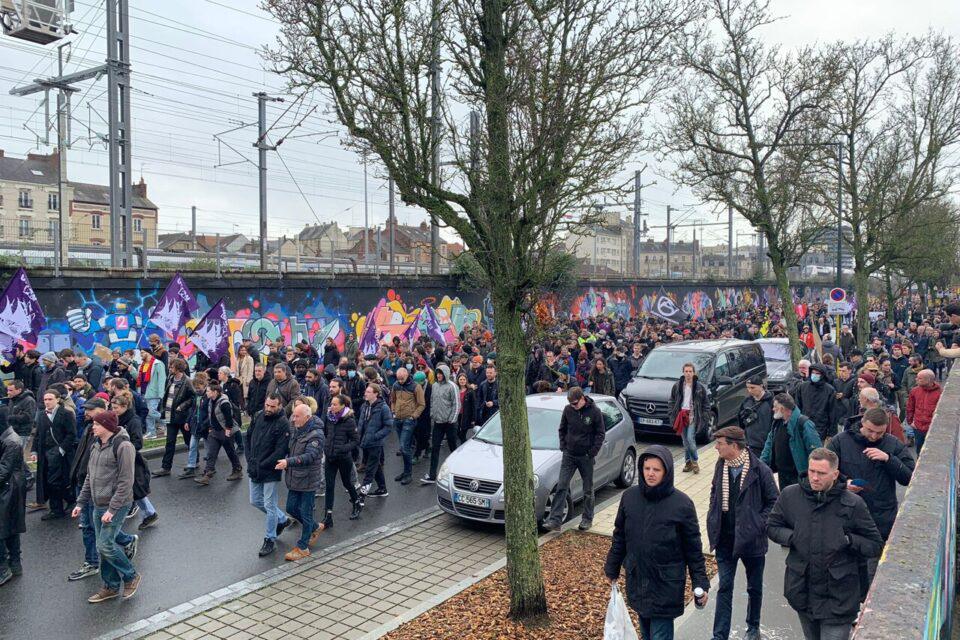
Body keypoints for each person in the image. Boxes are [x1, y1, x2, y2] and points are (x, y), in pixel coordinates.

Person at [766, 448, 883, 640]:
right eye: (812, 471)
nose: (815, 478)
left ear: (835, 474)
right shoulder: (790, 495)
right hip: (803, 592)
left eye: (821, 473)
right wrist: (793, 537)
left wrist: (849, 540)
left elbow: (874, 544)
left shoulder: (853, 504)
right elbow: (772, 526)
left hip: (839, 597)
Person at [604, 445, 710, 640]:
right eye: (647, 469)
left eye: (656, 470)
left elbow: (693, 549)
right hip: (639, 579)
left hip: (666, 584)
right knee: (645, 631)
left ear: (666, 472)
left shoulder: (682, 504)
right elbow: (620, 536)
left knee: (659, 634)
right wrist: (612, 567)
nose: (650, 474)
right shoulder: (629, 497)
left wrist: (700, 583)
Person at [827, 407, 914, 600]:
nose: (874, 436)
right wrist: (843, 483)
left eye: (879, 433)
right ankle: (850, 605)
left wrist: (888, 459)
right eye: (869, 431)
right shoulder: (841, 441)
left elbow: (909, 477)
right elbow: (822, 473)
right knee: (846, 569)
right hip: (845, 517)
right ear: (861, 424)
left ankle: (866, 609)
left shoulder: (892, 444)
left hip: (880, 519)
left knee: (872, 573)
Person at [706, 426, 779, 640]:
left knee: (754, 587)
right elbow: (714, 491)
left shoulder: (760, 470)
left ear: (734, 446)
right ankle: (720, 635)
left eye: (720, 444)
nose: (716, 448)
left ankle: (753, 627)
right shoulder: (722, 465)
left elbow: (774, 502)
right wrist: (713, 513)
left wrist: (757, 525)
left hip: (752, 541)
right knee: (724, 586)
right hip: (725, 539)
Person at [71, 411, 142, 603]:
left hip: (116, 504)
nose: (93, 427)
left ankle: (131, 576)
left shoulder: (124, 446)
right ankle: (110, 586)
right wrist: (80, 502)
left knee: (105, 544)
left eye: (96, 424)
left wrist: (112, 509)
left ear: (107, 426)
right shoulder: (96, 445)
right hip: (97, 503)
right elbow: (89, 476)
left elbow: (126, 481)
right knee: (103, 547)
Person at [543, 387, 605, 531]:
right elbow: (562, 429)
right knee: (561, 486)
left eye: (576, 403)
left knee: (588, 489)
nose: (573, 406)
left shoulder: (595, 412)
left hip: (586, 456)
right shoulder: (568, 410)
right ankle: (555, 520)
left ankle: (587, 519)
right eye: (571, 404)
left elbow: (600, 434)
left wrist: (592, 453)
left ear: (583, 398)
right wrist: (563, 446)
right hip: (569, 455)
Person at [245, 394, 291, 557]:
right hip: (255, 467)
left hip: (270, 470)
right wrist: (249, 459)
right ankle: (283, 519)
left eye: (273, 406)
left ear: (279, 406)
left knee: (269, 504)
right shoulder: (258, 415)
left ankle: (269, 539)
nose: (269, 409)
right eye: (267, 405)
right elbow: (248, 437)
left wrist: (263, 464)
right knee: (255, 500)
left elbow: (280, 450)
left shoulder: (283, 424)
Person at [277, 404, 325, 560]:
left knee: (305, 513)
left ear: (307, 417)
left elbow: (309, 457)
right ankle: (315, 526)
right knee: (291, 508)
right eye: (293, 415)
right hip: (295, 478)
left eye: (297, 416)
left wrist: (288, 462)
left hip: (308, 480)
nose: (293, 419)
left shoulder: (316, 435)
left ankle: (303, 547)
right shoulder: (296, 429)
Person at [760, 394, 821, 490]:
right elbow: (769, 445)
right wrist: (761, 464)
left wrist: (814, 473)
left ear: (782, 408)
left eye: (775, 407)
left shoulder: (804, 424)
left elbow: (817, 451)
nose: (773, 409)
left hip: (799, 475)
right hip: (782, 474)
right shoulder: (777, 423)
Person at [320, 394, 362, 529]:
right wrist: (326, 446)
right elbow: (326, 433)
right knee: (329, 486)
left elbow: (356, 440)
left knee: (347, 482)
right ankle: (328, 516)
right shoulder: (329, 418)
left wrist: (344, 448)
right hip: (330, 457)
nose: (331, 407)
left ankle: (356, 502)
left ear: (343, 406)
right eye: (331, 404)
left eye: (335, 404)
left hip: (343, 458)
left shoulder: (349, 420)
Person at [35, 389, 77, 520]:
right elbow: (38, 434)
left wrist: (62, 449)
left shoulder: (66, 414)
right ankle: (57, 508)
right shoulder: (41, 415)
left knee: (59, 480)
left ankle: (66, 503)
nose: (47, 402)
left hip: (61, 453)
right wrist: (34, 450)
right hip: (46, 453)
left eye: (50, 399)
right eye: (45, 400)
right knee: (49, 481)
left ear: (58, 399)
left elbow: (71, 434)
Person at [194, 382, 244, 486]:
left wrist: (228, 431)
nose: (206, 393)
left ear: (215, 392)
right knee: (211, 454)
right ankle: (207, 475)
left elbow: (229, 418)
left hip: (225, 431)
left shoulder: (224, 403)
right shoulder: (210, 401)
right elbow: (211, 415)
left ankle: (237, 470)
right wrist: (210, 428)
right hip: (215, 431)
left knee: (230, 452)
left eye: (208, 391)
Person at [154, 358, 196, 477]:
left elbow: (193, 397)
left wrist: (182, 406)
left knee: (188, 440)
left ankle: (195, 460)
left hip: (182, 417)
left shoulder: (187, 381)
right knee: (170, 442)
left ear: (177, 368)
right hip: (170, 415)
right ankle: (166, 467)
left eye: (171, 367)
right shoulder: (170, 378)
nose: (169, 368)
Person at [0, 413, 27, 586]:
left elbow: (3, 470)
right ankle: (14, 564)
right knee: (9, 525)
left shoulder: (11, 441)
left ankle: (4, 568)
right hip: (11, 487)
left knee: (4, 527)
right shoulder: (8, 438)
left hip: (9, 488)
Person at [423, 364, 459, 485]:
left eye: (441, 373)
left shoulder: (452, 386)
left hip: (449, 423)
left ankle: (458, 472)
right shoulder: (434, 386)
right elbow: (432, 401)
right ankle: (432, 475)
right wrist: (433, 415)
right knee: (435, 448)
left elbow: (456, 404)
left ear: (446, 374)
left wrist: (452, 419)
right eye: (437, 373)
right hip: (438, 422)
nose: (438, 375)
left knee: (453, 448)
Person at [669, 363, 709, 474]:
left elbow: (706, 403)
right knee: (685, 441)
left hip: (693, 415)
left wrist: (705, 416)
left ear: (694, 373)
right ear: (683, 372)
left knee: (690, 439)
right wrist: (671, 413)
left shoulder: (699, 387)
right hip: (681, 415)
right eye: (686, 371)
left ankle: (695, 461)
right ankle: (688, 463)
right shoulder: (677, 385)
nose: (688, 373)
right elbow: (672, 400)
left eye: (690, 371)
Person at [390, 366, 425, 486]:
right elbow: (393, 400)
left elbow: (421, 404)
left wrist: (413, 416)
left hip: (408, 420)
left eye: (402, 379)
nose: (400, 381)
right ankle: (405, 472)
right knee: (405, 447)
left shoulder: (416, 386)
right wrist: (393, 411)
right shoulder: (395, 385)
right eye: (398, 379)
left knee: (405, 447)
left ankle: (408, 474)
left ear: (407, 375)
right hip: (398, 419)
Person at [357, 383, 392, 497]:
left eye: (368, 392)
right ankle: (383, 489)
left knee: (370, 469)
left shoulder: (383, 408)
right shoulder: (364, 406)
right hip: (365, 441)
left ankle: (362, 494)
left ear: (376, 394)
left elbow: (388, 426)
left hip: (375, 443)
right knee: (375, 466)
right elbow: (362, 422)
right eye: (366, 391)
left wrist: (376, 436)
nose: (365, 394)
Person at [795, 363, 837, 443]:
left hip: (820, 428)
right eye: (813, 373)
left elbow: (833, 412)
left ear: (822, 375)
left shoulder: (829, 390)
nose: (815, 375)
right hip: (803, 425)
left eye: (817, 373)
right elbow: (797, 406)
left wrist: (832, 432)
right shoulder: (802, 387)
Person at [5, 381, 36, 490]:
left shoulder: (29, 401)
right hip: (13, 431)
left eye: (11, 390)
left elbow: (28, 417)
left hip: (23, 432)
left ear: (19, 390)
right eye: (8, 390)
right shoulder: (13, 399)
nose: (8, 392)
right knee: (15, 455)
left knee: (16, 456)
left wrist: (10, 418)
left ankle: (28, 477)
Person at [906, 368, 941, 454]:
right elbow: (910, 407)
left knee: (932, 452)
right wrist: (911, 422)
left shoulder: (940, 393)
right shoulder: (914, 391)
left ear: (928, 380)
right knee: (919, 450)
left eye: (919, 378)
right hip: (918, 428)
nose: (916, 379)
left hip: (932, 428)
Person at [738, 376, 774, 458]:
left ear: (761, 386)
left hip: (767, 445)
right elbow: (741, 424)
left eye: (752, 387)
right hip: (751, 445)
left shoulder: (771, 402)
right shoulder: (746, 402)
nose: (750, 391)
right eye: (748, 388)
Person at [137, 347, 166, 439]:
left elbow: (162, 379)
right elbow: (139, 379)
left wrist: (161, 394)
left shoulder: (158, 364)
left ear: (148, 353)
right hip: (143, 392)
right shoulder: (141, 365)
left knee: (151, 412)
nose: (141, 355)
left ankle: (167, 423)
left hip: (154, 393)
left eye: (142, 352)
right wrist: (132, 371)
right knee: (148, 413)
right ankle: (151, 432)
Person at [456, 372, 477, 445]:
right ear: (458, 380)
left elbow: (474, 406)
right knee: (457, 432)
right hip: (456, 414)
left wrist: (473, 419)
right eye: (460, 379)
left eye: (464, 379)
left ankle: (463, 446)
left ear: (466, 380)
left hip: (466, 415)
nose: (462, 381)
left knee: (463, 434)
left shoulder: (470, 391)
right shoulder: (455, 390)